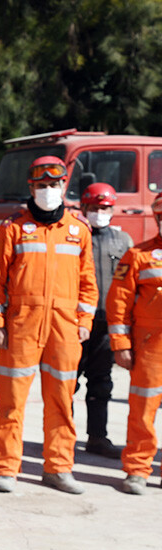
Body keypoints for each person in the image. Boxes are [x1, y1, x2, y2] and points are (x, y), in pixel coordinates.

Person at [0, 155, 98, 494]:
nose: (48, 190)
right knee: (10, 402)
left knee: (62, 401)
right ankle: (6, 468)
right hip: (20, 326)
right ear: (31, 188)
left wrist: (85, 320)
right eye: (41, 185)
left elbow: (89, 282)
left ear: (64, 186)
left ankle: (59, 468)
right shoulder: (12, 228)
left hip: (65, 330)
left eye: (53, 185)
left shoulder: (78, 230)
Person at [106, 193, 162, 495]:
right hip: (152, 345)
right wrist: (121, 343)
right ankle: (138, 469)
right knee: (143, 408)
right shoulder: (139, 255)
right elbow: (118, 302)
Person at [76, 182, 132, 459]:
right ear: (84, 208)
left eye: (105, 208)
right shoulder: (74, 235)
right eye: (95, 208)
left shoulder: (122, 241)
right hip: (76, 324)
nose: (100, 212)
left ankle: (97, 437)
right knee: (65, 384)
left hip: (107, 325)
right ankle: (59, 442)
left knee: (101, 382)